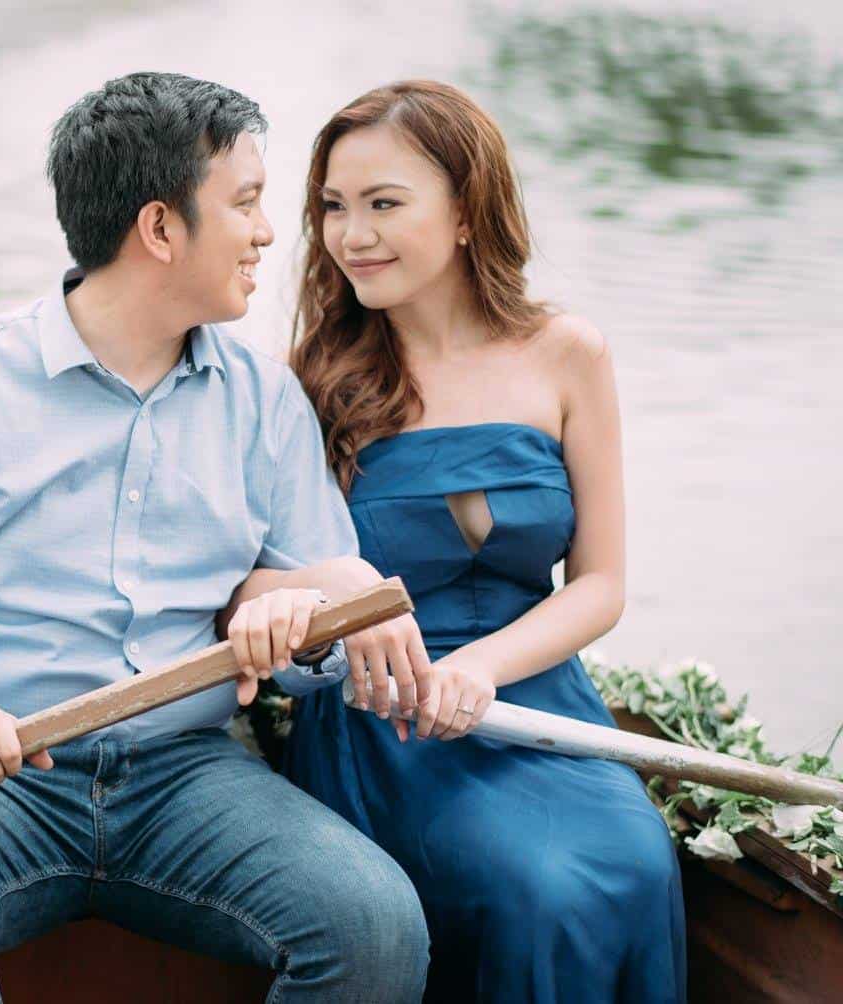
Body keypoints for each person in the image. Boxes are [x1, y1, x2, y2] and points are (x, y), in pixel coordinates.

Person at [0, 72, 430, 1003]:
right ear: (160, 229)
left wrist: (303, 629)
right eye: (246, 203)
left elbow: (319, 633)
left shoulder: (265, 400)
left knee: (373, 923)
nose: (268, 232)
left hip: (189, 777)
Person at [241, 79, 685, 1002]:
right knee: (537, 888)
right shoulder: (306, 382)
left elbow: (600, 584)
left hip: (537, 697)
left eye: (383, 204)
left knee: (637, 861)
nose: (351, 235)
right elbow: (254, 585)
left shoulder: (568, 353)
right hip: (386, 714)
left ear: (466, 213)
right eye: (333, 206)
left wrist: (480, 669)